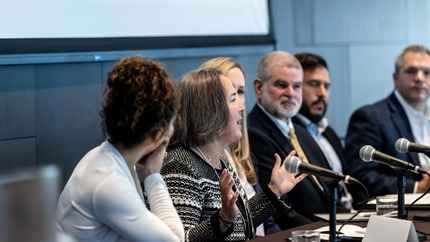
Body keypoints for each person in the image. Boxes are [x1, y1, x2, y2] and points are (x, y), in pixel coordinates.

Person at [160, 68, 306, 241]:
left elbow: (239, 223)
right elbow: (182, 239)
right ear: (209, 111)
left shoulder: (219, 161)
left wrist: (274, 191)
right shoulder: (180, 166)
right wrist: (223, 219)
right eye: (233, 99)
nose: (242, 107)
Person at [56, 56, 185, 242]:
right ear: (158, 134)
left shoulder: (105, 158)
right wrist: (153, 175)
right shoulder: (107, 183)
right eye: (172, 123)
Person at [247, 51, 348, 230]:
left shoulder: (302, 132)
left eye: (297, 86)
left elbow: (328, 193)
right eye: (281, 85)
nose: (291, 93)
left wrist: (355, 223)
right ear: (259, 87)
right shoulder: (253, 133)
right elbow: (279, 210)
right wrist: (325, 234)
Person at [199, 57, 281, 235]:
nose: (241, 106)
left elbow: (251, 222)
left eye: (241, 92)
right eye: (231, 96)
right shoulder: (197, 159)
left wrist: (275, 190)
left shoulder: (237, 155)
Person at [344, 45, 430, 198]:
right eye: (411, 71)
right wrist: (418, 187)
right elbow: (361, 177)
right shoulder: (369, 116)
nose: (419, 78)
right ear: (395, 78)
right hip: (398, 214)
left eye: (427, 73)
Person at [292, 52, 365, 210]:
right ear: (296, 86)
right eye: (313, 84)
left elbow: (351, 182)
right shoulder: (290, 134)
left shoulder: (328, 132)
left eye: (326, 86)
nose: (322, 93)